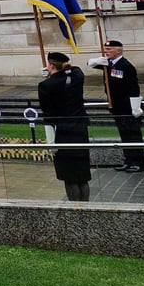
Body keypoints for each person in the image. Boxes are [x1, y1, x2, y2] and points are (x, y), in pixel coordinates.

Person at [38, 52, 92, 201]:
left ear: (51, 65)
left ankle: (75, 208)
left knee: (69, 175)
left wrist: (50, 76)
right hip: (80, 129)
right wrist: (55, 72)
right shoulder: (77, 76)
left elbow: (47, 113)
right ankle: (86, 206)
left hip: (62, 132)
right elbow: (74, 69)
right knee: (82, 174)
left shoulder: (45, 86)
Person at [88, 39, 144, 172]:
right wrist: (98, 60)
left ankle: (137, 162)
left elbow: (134, 88)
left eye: (109, 49)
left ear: (119, 50)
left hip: (127, 107)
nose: (106, 52)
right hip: (116, 106)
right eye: (105, 49)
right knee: (124, 135)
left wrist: (135, 107)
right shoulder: (108, 64)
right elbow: (89, 63)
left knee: (133, 135)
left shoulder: (126, 66)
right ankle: (128, 160)